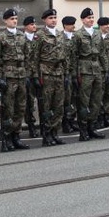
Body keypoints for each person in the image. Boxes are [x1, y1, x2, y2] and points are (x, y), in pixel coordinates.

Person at [32, 9, 68, 146]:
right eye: (50, 18)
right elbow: (34, 57)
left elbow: (65, 56)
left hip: (59, 72)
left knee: (58, 105)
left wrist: (66, 73)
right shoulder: (40, 35)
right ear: (44, 20)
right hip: (46, 73)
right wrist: (36, 76)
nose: (53, 20)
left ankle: (55, 132)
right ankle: (46, 135)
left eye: (55, 17)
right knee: (46, 106)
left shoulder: (60, 34)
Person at [71, 8, 108, 141]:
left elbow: (103, 53)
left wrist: (106, 69)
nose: (91, 20)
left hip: (97, 69)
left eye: (92, 17)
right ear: (82, 20)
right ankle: (83, 130)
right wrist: (75, 74)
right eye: (88, 18)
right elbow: (73, 55)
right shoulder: (78, 35)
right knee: (84, 101)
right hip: (84, 69)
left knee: (96, 100)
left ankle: (92, 127)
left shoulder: (97, 33)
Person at [0, 9, 31, 151]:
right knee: (8, 108)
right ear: (5, 21)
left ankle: (16, 136)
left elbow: (28, 56)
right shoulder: (1, 37)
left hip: (21, 75)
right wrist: (0, 77)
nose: (14, 21)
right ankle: (6, 138)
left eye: (16, 18)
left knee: (20, 107)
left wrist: (28, 74)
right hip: (9, 76)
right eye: (11, 19)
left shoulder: (22, 36)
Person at [61, 16, 79, 134]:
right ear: (65, 25)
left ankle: (72, 120)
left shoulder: (75, 38)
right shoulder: (60, 38)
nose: (73, 26)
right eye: (71, 24)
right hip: (63, 73)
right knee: (65, 99)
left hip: (73, 71)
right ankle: (65, 123)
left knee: (74, 98)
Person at [23, 15, 39, 138]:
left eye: (35, 24)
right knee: (28, 102)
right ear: (26, 26)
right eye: (32, 24)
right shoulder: (21, 38)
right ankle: (31, 126)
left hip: (38, 74)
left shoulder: (38, 38)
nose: (34, 26)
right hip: (26, 75)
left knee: (41, 100)